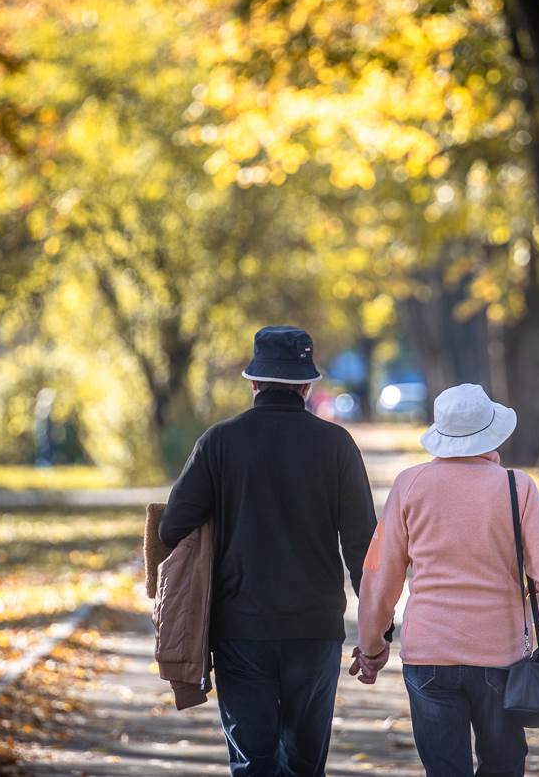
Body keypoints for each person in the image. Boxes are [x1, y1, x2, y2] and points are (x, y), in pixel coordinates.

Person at [159, 325, 380, 777]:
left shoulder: (219, 442)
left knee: (254, 763)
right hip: (315, 630)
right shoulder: (336, 445)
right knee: (303, 765)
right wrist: (377, 635)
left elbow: (171, 528)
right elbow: (363, 548)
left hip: (240, 628)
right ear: (306, 384)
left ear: (254, 381)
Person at [353, 383, 539, 777]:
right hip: (501, 658)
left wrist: (372, 647)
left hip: (428, 656)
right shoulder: (516, 487)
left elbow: (378, 577)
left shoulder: (409, 485)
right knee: (502, 766)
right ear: (493, 433)